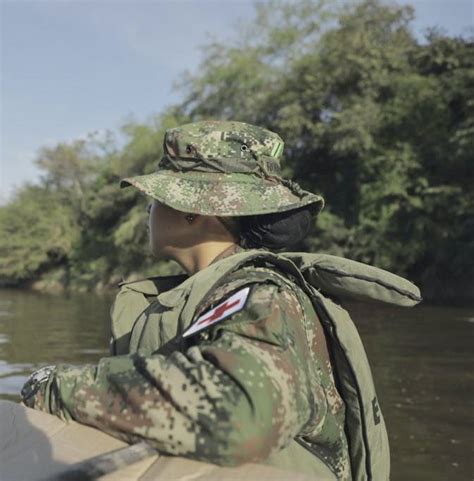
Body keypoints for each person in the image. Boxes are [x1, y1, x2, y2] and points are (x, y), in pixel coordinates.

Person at [21, 120, 420, 481]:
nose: (149, 208)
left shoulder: (262, 294)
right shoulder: (217, 291)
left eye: (159, 197)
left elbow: (241, 411)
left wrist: (57, 386)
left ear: (193, 211)